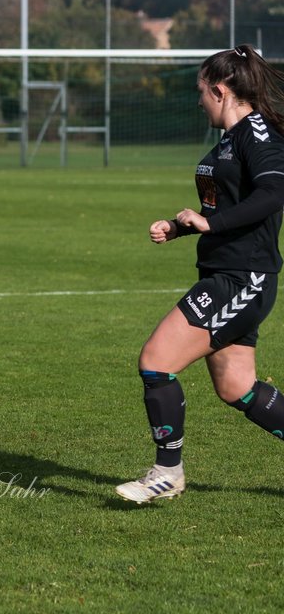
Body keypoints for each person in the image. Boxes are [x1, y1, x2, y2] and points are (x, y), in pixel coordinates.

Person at [116, 44, 284, 503]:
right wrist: (180, 227)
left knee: (156, 361)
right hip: (226, 271)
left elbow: (272, 193)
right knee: (237, 387)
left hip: (242, 279)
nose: (198, 101)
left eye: (201, 92)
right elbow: (225, 207)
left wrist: (211, 223)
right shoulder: (229, 140)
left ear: (220, 89)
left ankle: (166, 473)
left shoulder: (258, 133)